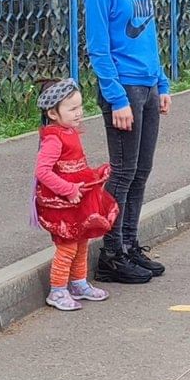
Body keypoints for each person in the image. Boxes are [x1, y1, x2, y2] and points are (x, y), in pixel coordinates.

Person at [83, 0, 172, 285]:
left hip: (147, 87)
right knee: (122, 173)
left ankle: (130, 243)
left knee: (141, 171)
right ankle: (111, 253)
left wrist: (162, 83)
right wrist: (117, 98)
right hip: (124, 91)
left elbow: (148, 41)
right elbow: (99, 50)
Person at [32, 79, 120, 311]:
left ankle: (78, 282)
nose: (79, 113)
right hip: (63, 202)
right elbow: (42, 171)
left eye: (80, 107)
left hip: (78, 196)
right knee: (67, 244)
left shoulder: (68, 131)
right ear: (52, 112)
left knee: (82, 241)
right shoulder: (53, 138)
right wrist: (68, 189)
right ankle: (58, 290)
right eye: (72, 109)